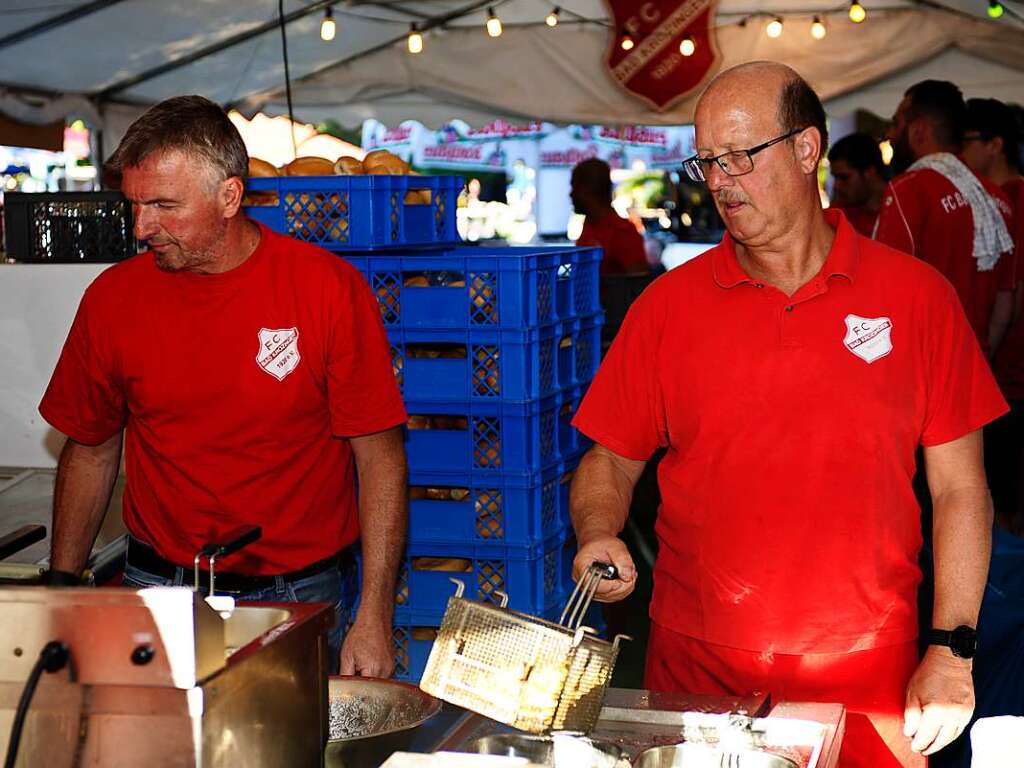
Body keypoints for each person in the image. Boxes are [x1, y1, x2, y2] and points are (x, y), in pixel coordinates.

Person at [569, 62, 1006, 767]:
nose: (719, 180)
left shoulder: (917, 299)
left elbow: (961, 489)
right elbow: (609, 458)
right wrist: (598, 530)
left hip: (867, 670)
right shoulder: (666, 309)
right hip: (696, 670)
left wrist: (952, 649)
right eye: (707, 160)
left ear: (807, 151)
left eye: (741, 155)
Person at [38, 96, 408, 677]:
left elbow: (380, 460)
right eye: (134, 205)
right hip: (155, 590)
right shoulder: (111, 298)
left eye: (163, 205)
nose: (142, 228)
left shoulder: (328, 290)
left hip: (297, 597)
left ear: (230, 196)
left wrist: (375, 614)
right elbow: (91, 447)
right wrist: (60, 590)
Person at [873, 80, 1015, 357]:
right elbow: (1005, 302)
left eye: (897, 122)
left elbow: (884, 293)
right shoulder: (997, 198)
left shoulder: (909, 188)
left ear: (919, 131)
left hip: (923, 370)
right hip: (979, 371)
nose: (890, 134)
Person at [962, 97, 1024, 534]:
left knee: (1003, 507)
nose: (959, 154)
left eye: (966, 142)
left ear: (995, 144)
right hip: (995, 369)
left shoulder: (1013, 198)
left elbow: (1013, 289)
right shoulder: (982, 197)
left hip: (1009, 371)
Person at [571, 158, 649, 275]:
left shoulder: (623, 232)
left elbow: (638, 284)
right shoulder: (589, 225)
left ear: (588, 189)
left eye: (574, 187)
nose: (571, 194)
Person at [827, 132, 888, 236]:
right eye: (835, 177)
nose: (836, 186)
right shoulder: (839, 213)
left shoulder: (899, 210)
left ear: (869, 172)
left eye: (844, 178)